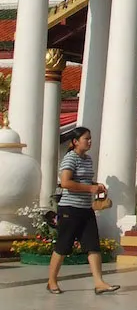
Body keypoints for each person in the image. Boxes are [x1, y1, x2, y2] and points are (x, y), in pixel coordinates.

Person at [47, 126, 119, 296]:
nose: (89, 141)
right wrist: (89, 188)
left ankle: (99, 282)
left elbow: (84, 181)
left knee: (93, 245)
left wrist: (96, 186)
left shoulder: (87, 159)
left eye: (90, 138)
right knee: (63, 245)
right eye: (86, 138)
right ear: (75, 142)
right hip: (70, 208)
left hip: (86, 208)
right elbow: (65, 182)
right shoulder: (70, 159)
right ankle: (52, 281)